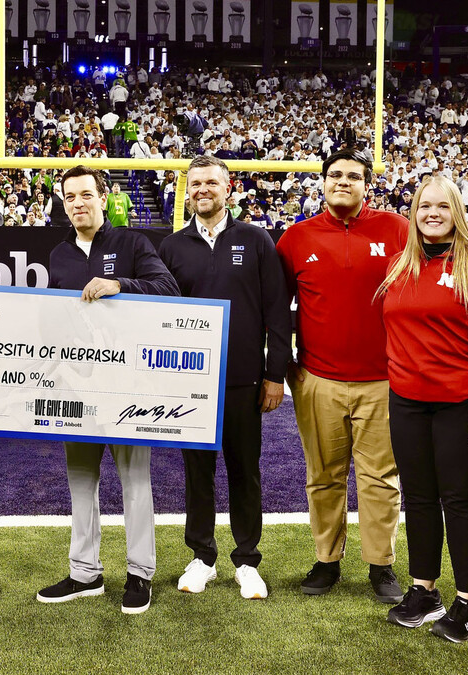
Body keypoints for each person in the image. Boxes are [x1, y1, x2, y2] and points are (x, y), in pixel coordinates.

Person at [376, 175, 468, 643]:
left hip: (461, 404)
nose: (432, 213)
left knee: (458, 500)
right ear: (413, 213)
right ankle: (423, 590)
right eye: (423, 206)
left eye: (442, 206)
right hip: (408, 402)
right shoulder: (400, 264)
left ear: (457, 211)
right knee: (416, 498)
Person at [37, 165, 179, 614]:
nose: (78, 203)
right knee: (81, 480)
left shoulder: (133, 243)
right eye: (69, 197)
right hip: (78, 386)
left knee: (135, 480)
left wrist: (120, 285)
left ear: (104, 197)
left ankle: (140, 573)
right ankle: (85, 572)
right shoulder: (59, 254)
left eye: (85, 194)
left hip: (126, 385)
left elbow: (169, 289)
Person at [275, 149, 405, 603]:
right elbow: (277, 309)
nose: (343, 181)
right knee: (324, 475)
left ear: (368, 184)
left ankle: (381, 565)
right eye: (335, 175)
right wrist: (283, 368)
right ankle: (327, 560)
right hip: (319, 378)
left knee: (379, 478)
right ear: (323, 183)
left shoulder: (397, 230)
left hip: (383, 379)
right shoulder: (296, 237)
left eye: (353, 175)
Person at [158, 156, 290, 600]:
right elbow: (159, 317)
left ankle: (247, 559)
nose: (202, 190)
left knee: (244, 470)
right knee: (197, 472)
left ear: (228, 187)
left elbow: (276, 313)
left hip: (242, 381)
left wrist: (275, 375)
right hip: (190, 383)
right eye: (194, 183)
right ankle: (203, 556)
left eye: (211, 182)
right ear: (187, 190)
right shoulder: (172, 247)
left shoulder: (255, 240)